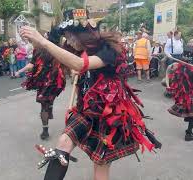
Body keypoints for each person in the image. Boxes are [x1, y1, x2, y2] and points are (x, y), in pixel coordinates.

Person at [20, 9, 161, 180]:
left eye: (72, 37)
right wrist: (37, 43)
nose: (70, 42)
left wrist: (42, 40)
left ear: (85, 34)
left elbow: (80, 65)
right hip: (86, 110)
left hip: (108, 115)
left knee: (100, 168)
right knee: (62, 144)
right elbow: (59, 59)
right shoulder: (80, 50)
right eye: (67, 38)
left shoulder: (109, 49)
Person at [16, 29, 66, 140]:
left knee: (44, 106)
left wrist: (20, 71)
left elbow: (31, 65)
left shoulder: (39, 50)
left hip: (47, 82)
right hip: (57, 82)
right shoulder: (60, 49)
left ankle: (45, 131)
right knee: (49, 99)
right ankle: (50, 109)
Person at [166, 59, 193, 141]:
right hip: (191, 96)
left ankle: (189, 117)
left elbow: (170, 70)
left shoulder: (179, 68)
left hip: (184, 94)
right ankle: (189, 133)